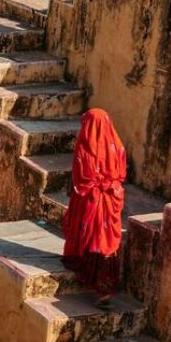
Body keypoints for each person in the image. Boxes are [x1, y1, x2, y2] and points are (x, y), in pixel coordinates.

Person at [60, 108, 127, 308]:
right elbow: (121, 174)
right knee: (107, 244)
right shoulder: (116, 146)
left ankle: (90, 279)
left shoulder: (85, 147)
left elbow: (80, 179)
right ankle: (105, 291)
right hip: (110, 201)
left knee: (91, 239)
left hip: (91, 202)